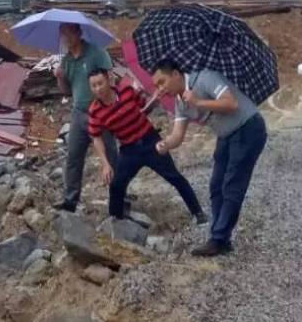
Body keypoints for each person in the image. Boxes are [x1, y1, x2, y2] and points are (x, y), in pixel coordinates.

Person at [152, 59, 268, 257]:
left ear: (176, 75)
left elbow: (231, 103)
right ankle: (221, 237)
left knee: (232, 185)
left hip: (248, 127)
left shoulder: (205, 78)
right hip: (226, 135)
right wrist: (165, 144)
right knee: (216, 186)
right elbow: (178, 136)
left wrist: (198, 102)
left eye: (162, 82)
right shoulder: (180, 102)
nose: (160, 88)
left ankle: (218, 239)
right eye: (157, 85)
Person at [88, 69, 206, 224]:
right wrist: (105, 164)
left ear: (108, 80)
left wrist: (154, 98)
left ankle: (198, 212)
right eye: (93, 86)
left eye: (100, 83)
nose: (98, 89)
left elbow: (145, 107)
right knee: (117, 185)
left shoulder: (127, 91)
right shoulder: (94, 110)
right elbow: (96, 137)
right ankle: (115, 222)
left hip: (150, 141)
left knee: (174, 177)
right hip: (128, 150)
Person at [54, 23, 118, 212]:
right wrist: (59, 77)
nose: (66, 38)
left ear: (79, 33)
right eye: (63, 34)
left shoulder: (96, 52)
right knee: (73, 157)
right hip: (79, 113)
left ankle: (118, 195)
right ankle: (70, 199)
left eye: (69, 33)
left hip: (101, 112)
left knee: (110, 156)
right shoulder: (66, 61)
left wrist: (109, 106)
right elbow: (66, 91)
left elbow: (111, 79)